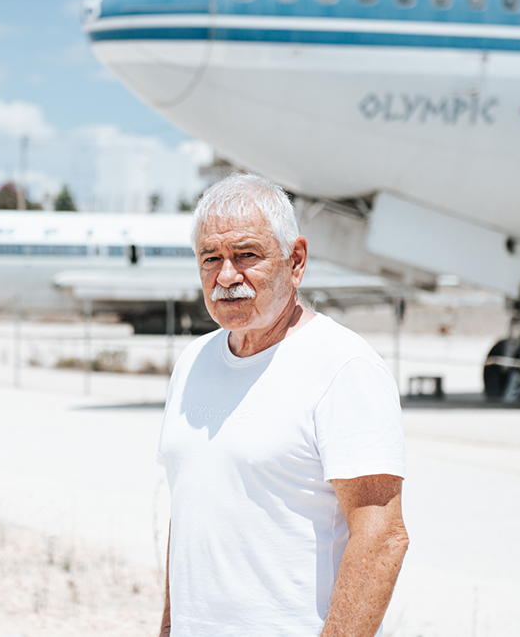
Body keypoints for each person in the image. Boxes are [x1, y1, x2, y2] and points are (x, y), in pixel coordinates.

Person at [157, 173, 408, 637]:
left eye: (246, 255)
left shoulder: (342, 365)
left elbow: (382, 535)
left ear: (296, 261)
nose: (226, 276)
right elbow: (191, 512)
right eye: (210, 258)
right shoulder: (192, 363)